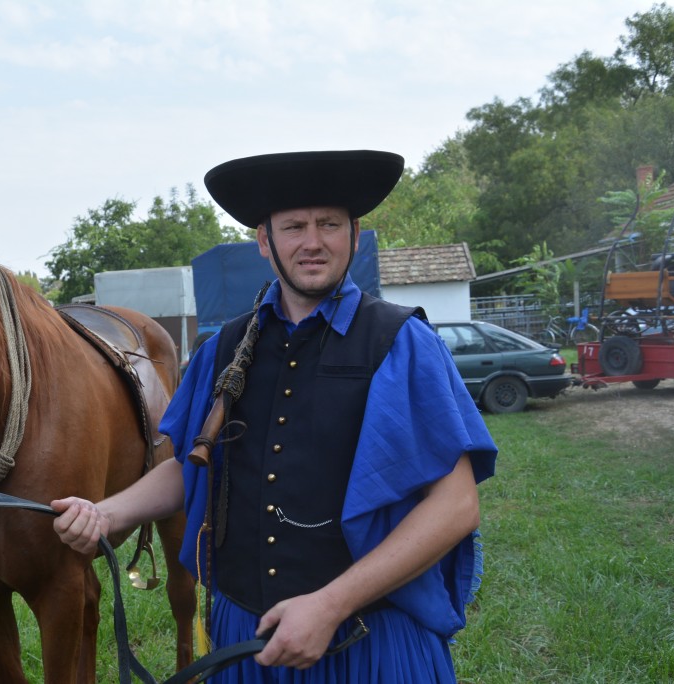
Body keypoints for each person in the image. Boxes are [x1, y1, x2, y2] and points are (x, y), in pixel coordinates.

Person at [53, 150, 498, 683]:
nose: (313, 242)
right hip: (247, 638)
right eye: (293, 227)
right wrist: (107, 513)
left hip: (369, 640)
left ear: (353, 234)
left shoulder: (401, 342)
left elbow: (456, 506)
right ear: (265, 242)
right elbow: (193, 468)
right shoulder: (225, 350)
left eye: (329, 224)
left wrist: (330, 605)